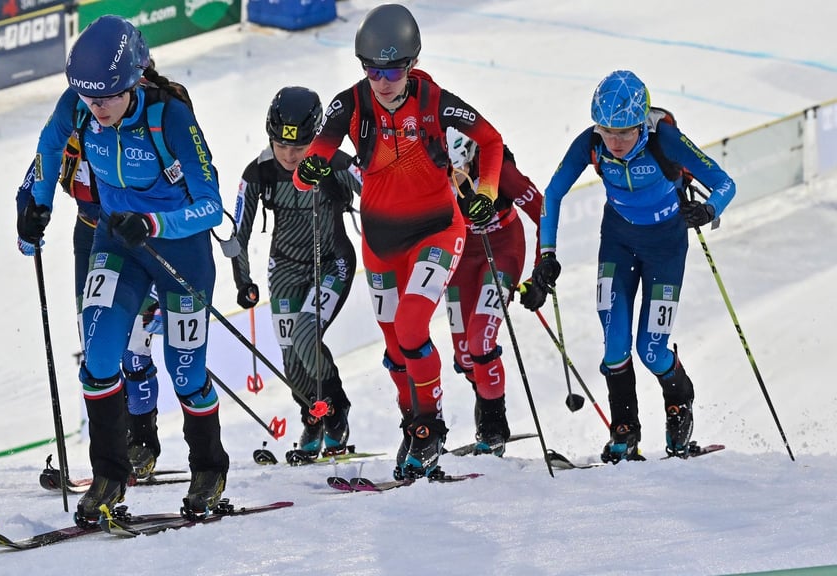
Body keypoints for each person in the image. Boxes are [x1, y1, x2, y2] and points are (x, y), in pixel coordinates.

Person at [16, 15, 229, 522]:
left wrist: (155, 223)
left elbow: (210, 205)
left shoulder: (169, 116)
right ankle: (110, 475)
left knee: (187, 370)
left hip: (179, 251)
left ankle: (209, 468)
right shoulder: (79, 106)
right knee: (99, 356)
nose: (97, 107)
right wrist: (33, 203)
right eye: (89, 98)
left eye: (108, 96)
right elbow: (48, 149)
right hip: (114, 242)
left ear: (134, 79)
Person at [293, 3, 507, 480]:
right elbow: (320, 151)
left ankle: (430, 428)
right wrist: (311, 169)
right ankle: (413, 425)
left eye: (391, 69)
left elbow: (490, 141)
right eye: (372, 69)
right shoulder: (350, 103)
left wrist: (487, 195)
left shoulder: (435, 101)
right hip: (380, 241)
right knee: (394, 349)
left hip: (436, 230)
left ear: (410, 64)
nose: (382, 80)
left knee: (412, 328)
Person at [524, 70, 736, 463]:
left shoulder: (664, 139)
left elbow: (725, 183)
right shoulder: (591, 144)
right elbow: (552, 194)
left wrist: (708, 209)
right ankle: (624, 429)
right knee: (615, 343)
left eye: (624, 132)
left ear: (642, 124)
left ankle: (679, 403)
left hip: (666, 248)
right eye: (606, 131)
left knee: (651, 350)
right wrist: (547, 257)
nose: (615, 143)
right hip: (618, 244)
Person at [15, 150, 164, 483]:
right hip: (89, 233)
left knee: (134, 344)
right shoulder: (68, 127)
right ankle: (113, 451)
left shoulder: (128, 121)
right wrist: (27, 221)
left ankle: (143, 441)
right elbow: (32, 181)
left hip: (135, 233)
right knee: (95, 344)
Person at [231, 86, 363, 460]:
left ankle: (336, 411)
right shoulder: (257, 171)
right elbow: (239, 230)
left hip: (332, 262)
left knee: (306, 334)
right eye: (281, 145)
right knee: (291, 358)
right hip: (285, 269)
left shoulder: (336, 161)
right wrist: (244, 281)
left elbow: (375, 195)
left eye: (300, 147)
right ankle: (313, 417)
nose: (289, 155)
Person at [443, 128, 543, 457]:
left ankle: (493, 427)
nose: (457, 178)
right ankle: (486, 402)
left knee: (480, 341)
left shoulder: (497, 167)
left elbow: (543, 212)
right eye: (450, 171)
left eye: (462, 170)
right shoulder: (434, 167)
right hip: (460, 254)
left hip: (501, 248)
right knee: (464, 356)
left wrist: (540, 275)